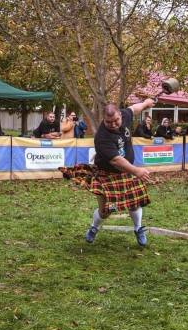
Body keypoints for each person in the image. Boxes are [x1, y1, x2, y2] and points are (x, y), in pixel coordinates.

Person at [59, 98, 155, 247]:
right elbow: (116, 160)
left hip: (127, 173)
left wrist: (146, 104)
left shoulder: (124, 115)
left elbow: (133, 109)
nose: (113, 124)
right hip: (107, 174)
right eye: (109, 122)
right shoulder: (101, 137)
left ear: (120, 115)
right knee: (105, 211)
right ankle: (94, 227)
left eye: (116, 120)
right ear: (103, 119)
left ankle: (138, 228)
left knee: (135, 203)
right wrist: (137, 170)